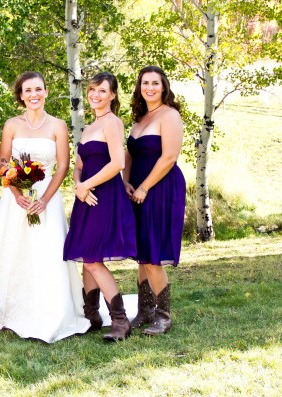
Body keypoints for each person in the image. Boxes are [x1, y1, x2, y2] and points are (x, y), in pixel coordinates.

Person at [0, 71, 90, 343]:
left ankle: (49, 313)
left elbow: (63, 166)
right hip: (15, 199)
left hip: (47, 199)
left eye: (38, 89)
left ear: (46, 92)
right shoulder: (11, 125)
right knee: (10, 251)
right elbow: (3, 161)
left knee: (46, 252)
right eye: (28, 90)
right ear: (20, 95)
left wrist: (44, 199)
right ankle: (6, 311)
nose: (34, 95)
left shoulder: (58, 125)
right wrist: (17, 192)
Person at [63, 72, 137, 342]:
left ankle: (120, 319)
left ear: (113, 95)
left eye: (102, 91)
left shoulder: (113, 123)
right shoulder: (88, 127)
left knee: (93, 260)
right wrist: (78, 185)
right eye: (92, 90)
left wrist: (87, 185)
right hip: (86, 197)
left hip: (104, 195)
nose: (95, 95)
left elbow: (117, 162)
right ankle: (91, 314)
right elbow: (79, 166)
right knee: (86, 255)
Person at [124, 65, 186, 335]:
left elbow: (169, 157)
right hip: (137, 187)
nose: (149, 87)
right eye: (144, 83)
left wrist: (145, 187)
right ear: (139, 88)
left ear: (164, 87)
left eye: (155, 83)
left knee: (152, 254)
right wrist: (126, 181)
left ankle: (162, 315)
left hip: (159, 187)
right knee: (141, 253)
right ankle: (145, 310)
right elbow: (130, 155)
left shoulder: (169, 116)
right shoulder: (140, 118)